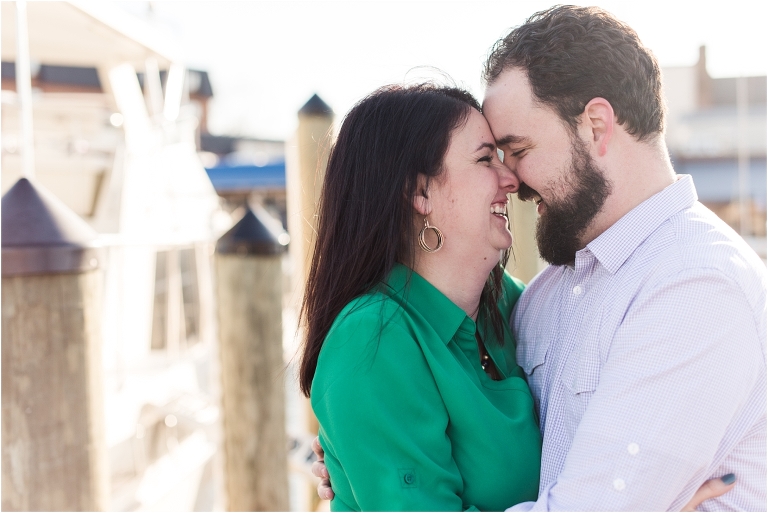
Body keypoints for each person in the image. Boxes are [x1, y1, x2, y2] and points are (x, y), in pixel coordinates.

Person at [313, 5, 766, 511]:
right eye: (491, 158)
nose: (514, 181)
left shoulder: (695, 284)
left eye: (518, 149)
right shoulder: (543, 296)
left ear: (596, 125)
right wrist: (357, 452)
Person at [299, 84, 542, 511]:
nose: (512, 179)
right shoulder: (373, 340)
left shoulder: (509, 306)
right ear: (420, 192)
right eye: (486, 159)